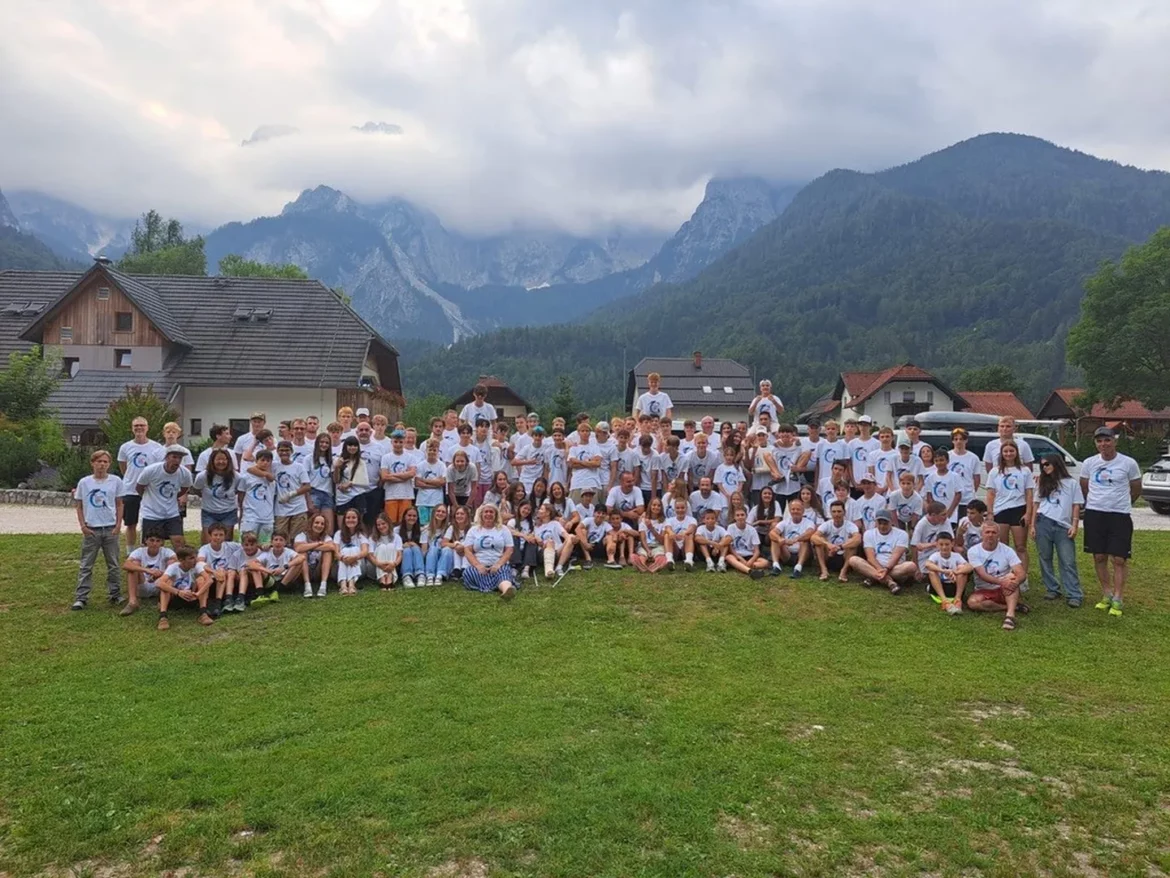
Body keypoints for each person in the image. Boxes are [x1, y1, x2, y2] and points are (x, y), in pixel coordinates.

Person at [1079, 426, 1142, 617]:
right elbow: (1084, 486)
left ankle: (1118, 597)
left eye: (1107, 440)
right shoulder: (1089, 463)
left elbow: (1136, 488)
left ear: (1115, 441)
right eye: (1099, 441)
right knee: (1099, 556)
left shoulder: (1128, 463)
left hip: (1119, 515)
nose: (1103, 444)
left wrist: (1123, 503)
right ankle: (1106, 593)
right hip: (1095, 514)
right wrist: (1096, 502)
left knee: (1119, 559)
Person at [70, 450, 124, 611]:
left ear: (109, 464)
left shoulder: (116, 481)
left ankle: (115, 593)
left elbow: (119, 504)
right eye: (99, 461)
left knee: (113, 564)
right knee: (86, 564)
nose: (102, 464)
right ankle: (81, 597)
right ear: (92, 463)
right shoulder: (85, 482)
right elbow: (79, 506)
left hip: (110, 528)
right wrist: (83, 526)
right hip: (92, 528)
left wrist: (118, 525)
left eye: (105, 462)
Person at [1031, 453, 1084, 607]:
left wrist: (1074, 525)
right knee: (1045, 557)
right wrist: (1032, 525)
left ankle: (1074, 593)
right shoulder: (1041, 482)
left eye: (1047, 464)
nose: (1045, 467)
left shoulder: (1071, 483)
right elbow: (1036, 504)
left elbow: (1076, 505)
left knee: (1067, 560)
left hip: (1063, 525)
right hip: (1043, 522)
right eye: (1042, 465)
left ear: (1056, 464)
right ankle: (1052, 588)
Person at [985, 440, 1033, 587]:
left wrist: (1028, 513)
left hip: (1019, 510)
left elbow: (1029, 493)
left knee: (1020, 546)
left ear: (1016, 453)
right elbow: (990, 493)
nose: (1008, 454)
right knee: (1003, 545)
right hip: (1000, 511)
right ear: (1001, 454)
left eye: (1011, 451)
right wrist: (990, 513)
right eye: (1005, 451)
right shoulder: (995, 471)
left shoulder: (1025, 471)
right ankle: (1004, 575)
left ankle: (1022, 578)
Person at [967, 521, 1028, 631]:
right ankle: (1010, 607)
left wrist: (1016, 581)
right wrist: (1002, 582)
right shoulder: (973, 551)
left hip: (1004, 588)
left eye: (994, 532)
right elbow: (982, 574)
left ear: (998, 535)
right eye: (987, 532)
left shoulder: (1007, 550)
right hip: (984, 589)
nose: (990, 535)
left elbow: (1021, 572)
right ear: (981, 534)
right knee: (972, 603)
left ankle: (1010, 616)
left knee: (1012, 579)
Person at [117, 417, 163, 548]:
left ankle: (147, 549)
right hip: (130, 490)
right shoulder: (125, 447)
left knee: (149, 522)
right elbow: (123, 467)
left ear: (147, 428)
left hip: (150, 491)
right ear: (132, 428)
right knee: (131, 523)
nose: (139, 428)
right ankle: (131, 551)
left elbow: (160, 468)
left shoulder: (156, 447)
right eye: (136, 425)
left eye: (142, 425)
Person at [848, 509, 916, 594]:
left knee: (911, 566)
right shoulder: (868, 534)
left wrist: (886, 570)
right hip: (875, 566)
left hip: (894, 567)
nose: (882, 526)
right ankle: (890, 583)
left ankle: (873, 577)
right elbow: (870, 557)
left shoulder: (902, 534)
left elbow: (896, 556)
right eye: (879, 523)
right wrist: (880, 570)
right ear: (876, 522)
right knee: (853, 560)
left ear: (891, 522)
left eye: (885, 523)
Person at [136, 446, 193, 548]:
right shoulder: (151, 470)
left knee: (179, 542)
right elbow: (139, 487)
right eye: (174, 457)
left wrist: (175, 496)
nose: (177, 460)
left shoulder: (185, 473)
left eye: (180, 458)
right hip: (151, 514)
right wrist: (149, 498)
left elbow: (185, 488)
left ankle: (179, 558)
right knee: (150, 545)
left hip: (172, 513)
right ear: (166, 457)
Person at [463, 505, 517, 599]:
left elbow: (509, 550)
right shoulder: (473, 530)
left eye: (491, 512)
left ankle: (506, 590)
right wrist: (478, 565)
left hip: (498, 563)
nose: (488, 514)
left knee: (503, 571)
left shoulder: (504, 529)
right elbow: (467, 550)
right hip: (480, 564)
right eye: (486, 512)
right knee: (469, 572)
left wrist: (498, 564)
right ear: (481, 514)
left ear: (496, 515)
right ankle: (496, 585)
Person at [154, 546, 214, 630]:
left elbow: (209, 580)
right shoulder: (173, 567)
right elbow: (158, 583)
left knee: (201, 580)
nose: (195, 560)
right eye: (191, 558)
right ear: (181, 560)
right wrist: (178, 592)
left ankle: (203, 613)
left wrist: (198, 594)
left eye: (195, 557)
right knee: (167, 582)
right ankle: (163, 617)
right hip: (175, 596)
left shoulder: (197, 566)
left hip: (191, 596)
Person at [193, 448, 239, 544]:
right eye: (218, 459)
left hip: (229, 512)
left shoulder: (236, 476)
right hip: (209, 512)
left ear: (229, 461)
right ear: (212, 461)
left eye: (224, 459)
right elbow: (196, 489)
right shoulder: (202, 476)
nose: (221, 462)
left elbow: (238, 490)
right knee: (208, 542)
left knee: (226, 542)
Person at [122, 534, 175, 614]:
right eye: (152, 540)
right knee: (134, 565)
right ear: (146, 541)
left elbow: (178, 564)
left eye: (158, 541)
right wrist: (148, 571)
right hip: (143, 584)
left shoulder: (166, 551)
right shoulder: (140, 551)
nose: (154, 544)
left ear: (162, 542)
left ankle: (163, 601)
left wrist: (162, 574)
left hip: (160, 585)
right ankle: (132, 602)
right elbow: (126, 565)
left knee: (172, 562)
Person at [812, 500, 861, 583]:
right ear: (830, 513)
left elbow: (858, 538)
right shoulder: (827, 524)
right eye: (834, 512)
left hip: (844, 556)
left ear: (844, 512)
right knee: (819, 542)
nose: (836, 514)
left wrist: (841, 547)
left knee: (852, 544)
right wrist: (828, 544)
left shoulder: (850, 525)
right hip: (829, 555)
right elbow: (813, 537)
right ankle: (824, 570)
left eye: (839, 511)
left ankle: (843, 571)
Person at [923, 532, 971, 616]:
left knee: (962, 570)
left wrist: (956, 572)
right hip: (940, 586)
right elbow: (927, 564)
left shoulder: (956, 556)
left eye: (947, 544)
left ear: (952, 544)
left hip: (953, 585)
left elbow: (969, 567)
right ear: (937, 545)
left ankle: (957, 599)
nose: (944, 547)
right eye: (941, 544)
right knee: (932, 572)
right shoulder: (935, 556)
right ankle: (945, 601)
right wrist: (943, 571)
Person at [197, 523, 240, 616]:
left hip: (226, 576)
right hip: (211, 577)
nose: (218, 537)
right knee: (218, 573)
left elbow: (246, 546)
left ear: (225, 536)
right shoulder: (204, 549)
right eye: (215, 535)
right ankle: (209, 604)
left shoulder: (231, 546)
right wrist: (214, 572)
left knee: (223, 572)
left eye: (221, 535)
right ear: (210, 536)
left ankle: (218, 603)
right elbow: (200, 562)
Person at [237, 449, 277, 547]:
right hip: (250, 518)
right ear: (256, 461)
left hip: (267, 519)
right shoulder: (246, 477)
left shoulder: (272, 480)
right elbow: (241, 495)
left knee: (264, 545)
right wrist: (242, 510)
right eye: (262, 460)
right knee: (247, 544)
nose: (265, 463)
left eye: (268, 461)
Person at [273, 441, 311, 540]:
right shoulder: (274, 466)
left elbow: (307, 486)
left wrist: (291, 494)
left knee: (298, 538)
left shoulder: (299, 467)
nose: (284, 453)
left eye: (287, 450)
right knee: (280, 537)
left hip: (298, 508)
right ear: (277, 451)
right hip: (281, 509)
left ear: (292, 451)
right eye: (281, 450)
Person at [251, 532, 304, 603]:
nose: (278, 542)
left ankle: (279, 590)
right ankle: (260, 593)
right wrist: (267, 571)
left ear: (285, 543)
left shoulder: (288, 551)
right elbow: (250, 563)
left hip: (284, 579)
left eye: (281, 540)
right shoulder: (267, 552)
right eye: (276, 540)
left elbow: (302, 557)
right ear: (271, 542)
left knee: (299, 563)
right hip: (271, 579)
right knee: (255, 567)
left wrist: (284, 568)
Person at [379, 429, 418, 525]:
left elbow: (412, 474)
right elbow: (384, 476)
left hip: (406, 494)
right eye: (396, 442)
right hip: (391, 495)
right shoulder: (386, 457)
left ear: (404, 442)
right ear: (392, 442)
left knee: (404, 522)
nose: (398, 444)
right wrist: (404, 476)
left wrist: (392, 475)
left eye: (400, 442)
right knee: (390, 522)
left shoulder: (410, 457)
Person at [769, 498, 815, 578]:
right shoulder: (785, 522)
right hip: (787, 554)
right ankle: (776, 566)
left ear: (803, 511)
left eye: (798, 509)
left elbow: (810, 532)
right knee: (774, 539)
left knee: (805, 540)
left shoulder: (809, 522)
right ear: (790, 511)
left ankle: (798, 568)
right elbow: (772, 533)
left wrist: (796, 539)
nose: (795, 511)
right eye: (793, 509)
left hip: (803, 554)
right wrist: (781, 539)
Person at [294, 513, 336, 598]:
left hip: (318, 569)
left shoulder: (326, 537)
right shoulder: (302, 535)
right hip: (304, 570)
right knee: (302, 553)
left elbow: (331, 546)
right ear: (311, 523)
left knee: (327, 552)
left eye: (322, 524)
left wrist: (309, 546)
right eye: (316, 523)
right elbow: (298, 548)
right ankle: (307, 586)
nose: (319, 525)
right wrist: (317, 544)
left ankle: (323, 585)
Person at [724, 506, 769, 579]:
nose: (740, 517)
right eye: (737, 515)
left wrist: (750, 561)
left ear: (746, 516)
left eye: (742, 515)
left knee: (765, 562)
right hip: (737, 555)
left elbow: (757, 551)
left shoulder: (752, 530)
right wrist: (740, 558)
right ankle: (750, 571)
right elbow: (731, 548)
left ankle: (740, 566)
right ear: (734, 517)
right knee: (729, 557)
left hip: (749, 555)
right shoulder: (730, 527)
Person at [333, 436, 371, 522]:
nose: (352, 448)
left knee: (357, 525)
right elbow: (336, 480)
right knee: (342, 525)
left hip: (357, 496)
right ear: (345, 446)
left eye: (355, 445)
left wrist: (351, 483)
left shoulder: (361, 462)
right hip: (342, 498)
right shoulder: (338, 460)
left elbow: (365, 481)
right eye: (350, 445)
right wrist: (337, 467)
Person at [947, 428, 982, 520]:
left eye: (961, 439)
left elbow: (977, 478)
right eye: (956, 439)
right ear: (952, 441)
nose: (958, 441)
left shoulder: (973, 458)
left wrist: (971, 491)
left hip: (967, 499)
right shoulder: (947, 456)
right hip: (950, 498)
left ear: (966, 440)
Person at [534, 503, 576, 578]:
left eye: (541, 509)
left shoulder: (555, 524)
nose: (539, 511)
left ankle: (559, 567)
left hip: (558, 551)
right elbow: (531, 537)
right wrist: (535, 537)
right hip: (544, 552)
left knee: (571, 537)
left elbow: (566, 535)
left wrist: (572, 538)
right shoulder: (536, 526)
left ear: (548, 513)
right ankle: (549, 570)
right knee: (550, 542)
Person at [333, 507, 368, 596]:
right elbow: (336, 553)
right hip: (340, 566)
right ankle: (343, 585)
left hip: (359, 567)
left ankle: (351, 584)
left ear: (358, 520)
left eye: (353, 518)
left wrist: (354, 558)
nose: (350, 520)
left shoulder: (361, 534)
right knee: (346, 550)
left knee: (353, 549)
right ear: (344, 520)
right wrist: (344, 559)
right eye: (348, 518)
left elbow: (365, 551)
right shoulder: (338, 534)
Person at [922, 448, 962, 524]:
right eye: (936, 461)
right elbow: (929, 495)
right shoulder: (930, 478)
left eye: (941, 460)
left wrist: (949, 512)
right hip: (936, 516)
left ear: (947, 461)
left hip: (951, 516)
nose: (939, 463)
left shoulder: (955, 476)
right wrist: (936, 511)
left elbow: (958, 495)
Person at [306, 433, 336, 536]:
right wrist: (308, 501)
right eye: (321, 442)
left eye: (327, 443)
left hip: (328, 494)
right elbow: (305, 482)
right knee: (313, 528)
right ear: (317, 443)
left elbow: (334, 479)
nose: (324, 445)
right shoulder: (309, 458)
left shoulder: (331, 460)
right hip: (314, 493)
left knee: (329, 530)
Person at [414, 439, 448, 527]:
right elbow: (417, 483)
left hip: (436, 500)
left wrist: (425, 480)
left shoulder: (441, 465)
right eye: (430, 450)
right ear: (426, 450)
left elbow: (442, 482)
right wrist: (435, 483)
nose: (432, 452)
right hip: (422, 501)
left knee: (435, 524)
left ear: (438, 451)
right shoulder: (420, 465)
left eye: (434, 450)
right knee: (423, 525)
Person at [632, 497, 671, 573]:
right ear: (650, 506)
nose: (656, 507)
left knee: (661, 557)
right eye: (654, 505)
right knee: (642, 556)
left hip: (657, 545)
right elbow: (642, 539)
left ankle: (654, 566)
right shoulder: (643, 520)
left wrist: (651, 528)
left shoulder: (664, 521)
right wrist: (648, 550)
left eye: (658, 505)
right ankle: (642, 565)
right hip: (645, 546)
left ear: (661, 508)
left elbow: (661, 540)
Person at [663, 497, 698, 571]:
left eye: (682, 508)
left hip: (685, 547)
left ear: (686, 508)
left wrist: (684, 533)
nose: (680, 510)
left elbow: (692, 528)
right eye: (678, 508)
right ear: (674, 509)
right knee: (667, 535)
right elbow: (668, 528)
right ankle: (669, 560)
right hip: (675, 548)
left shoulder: (692, 519)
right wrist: (671, 533)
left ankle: (689, 561)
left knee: (689, 535)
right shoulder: (670, 520)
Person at [368, 513, 402, 589]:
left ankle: (390, 577)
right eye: (378, 525)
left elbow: (399, 555)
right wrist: (379, 564)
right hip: (376, 566)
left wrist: (393, 564)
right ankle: (382, 578)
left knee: (390, 546)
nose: (381, 526)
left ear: (388, 523)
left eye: (383, 524)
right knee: (382, 546)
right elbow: (370, 555)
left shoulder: (396, 537)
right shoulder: (372, 538)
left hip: (392, 566)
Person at [397, 506, 426, 587]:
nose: (412, 518)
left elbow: (424, 551)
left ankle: (420, 575)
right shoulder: (396, 530)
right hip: (401, 559)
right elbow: (394, 549)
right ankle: (407, 576)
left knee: (415, 548)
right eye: (409, 515)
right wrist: (402, 546)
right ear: (404, 517)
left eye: (414, 516)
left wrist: (416, 546)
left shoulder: (422, 530)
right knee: (407, 550)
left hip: (418, 558)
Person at [695, 508, 730, 572]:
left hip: (717, 551)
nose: (710, 520)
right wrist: (712, 543)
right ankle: (709, 562)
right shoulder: (701, 528)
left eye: (712, 518)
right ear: (703, 520)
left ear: (716, 520)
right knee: (702, 543)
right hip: (705, 552)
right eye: (707, 518)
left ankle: (721, 562)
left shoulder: (720, 528)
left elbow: (729, 538)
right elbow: (697, 538)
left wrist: (718, 545)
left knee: (725, 542)